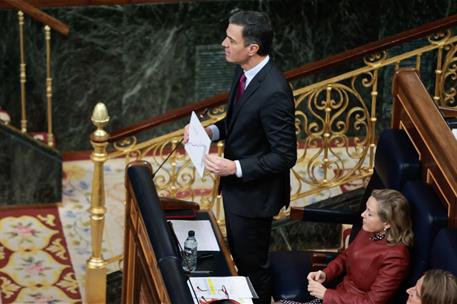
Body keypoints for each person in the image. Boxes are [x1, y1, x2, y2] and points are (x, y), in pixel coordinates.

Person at [184, 10, 297, 304]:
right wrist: (210, 132)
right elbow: (238, 122)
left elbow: (285, 156)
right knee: (238, 256)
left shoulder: (275, 92)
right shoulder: (243, 71)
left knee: (252, 268)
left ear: (252, 49)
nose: (223, 43)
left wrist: (234, 167)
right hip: (238, 190)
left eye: (230, 40)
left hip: (255, 199)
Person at [291, 189, 414, 304]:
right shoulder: (370, 229)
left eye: (369, 213)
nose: (362, 214)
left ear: (387, 223)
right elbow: (346, 256)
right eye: (365, 209)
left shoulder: (397, 257)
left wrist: (326, 294)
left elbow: (371, 302)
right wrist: (325, 274)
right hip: (339, 294)